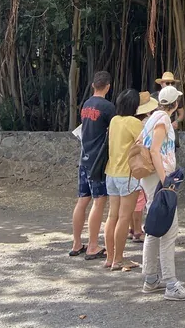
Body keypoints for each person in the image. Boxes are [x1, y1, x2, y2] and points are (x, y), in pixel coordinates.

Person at [140, 85, 185, 301]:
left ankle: (151, 278)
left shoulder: (151, 118)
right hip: (159, 179)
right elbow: (154, 149)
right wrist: (165, 179)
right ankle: (171, 284)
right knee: (169, 229)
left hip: (150, 178)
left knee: (154, 227)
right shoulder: (163, 119)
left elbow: (140, 143)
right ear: (176, 104)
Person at [70, 70, 115, 260]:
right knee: (99, 201)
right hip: (98, 161)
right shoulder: (108, 107)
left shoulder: (86, 105)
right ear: (108, 87)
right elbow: (113, 131)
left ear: (93, 86)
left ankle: (77, 243)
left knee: (82, 200)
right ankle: (93, 245)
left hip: (84, 157)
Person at [104, 88, 143, 271]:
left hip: (111, 173)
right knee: (124, 217)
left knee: (112, 216)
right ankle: (118, 260)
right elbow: (145, 143)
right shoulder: (134, 122)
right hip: (127, 175)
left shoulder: (114, 120)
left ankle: (110, 257)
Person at [129, 91, 158, 243]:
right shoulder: (147, 122)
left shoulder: (128, 120)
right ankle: (137, 230)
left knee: (131, 197)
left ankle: (131, 228)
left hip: (129, 162)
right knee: (140, 198)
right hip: (141, 162)